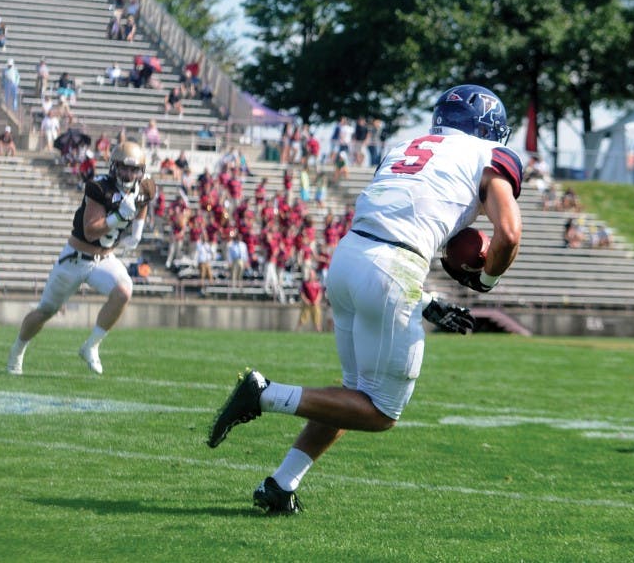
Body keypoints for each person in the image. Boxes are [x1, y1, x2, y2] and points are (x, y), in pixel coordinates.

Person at [205, 83, 523, 515]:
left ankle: (281, 485)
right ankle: (264, 395)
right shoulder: (488, 156)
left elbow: (396, 219)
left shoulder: (405, 146)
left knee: (353, 395)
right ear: (488, 128)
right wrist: (486, 281)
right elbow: (509, 234)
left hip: (349, 256)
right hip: (393, 267)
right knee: (379, 412)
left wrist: (424, 298)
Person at [6, 141, 156, 376]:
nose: (129, 174)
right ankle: (18, 350)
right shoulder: (99, 188)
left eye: (134, 169)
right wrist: (117, 217)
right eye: (124, 168)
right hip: (75, 258)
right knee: (46, 310)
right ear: (113, 167)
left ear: (141, 171)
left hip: (104, 259)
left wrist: (137, 231)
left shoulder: (144, 187)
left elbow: (143, 202)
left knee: (124, 291)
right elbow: (90, 231)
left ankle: (91, 346)